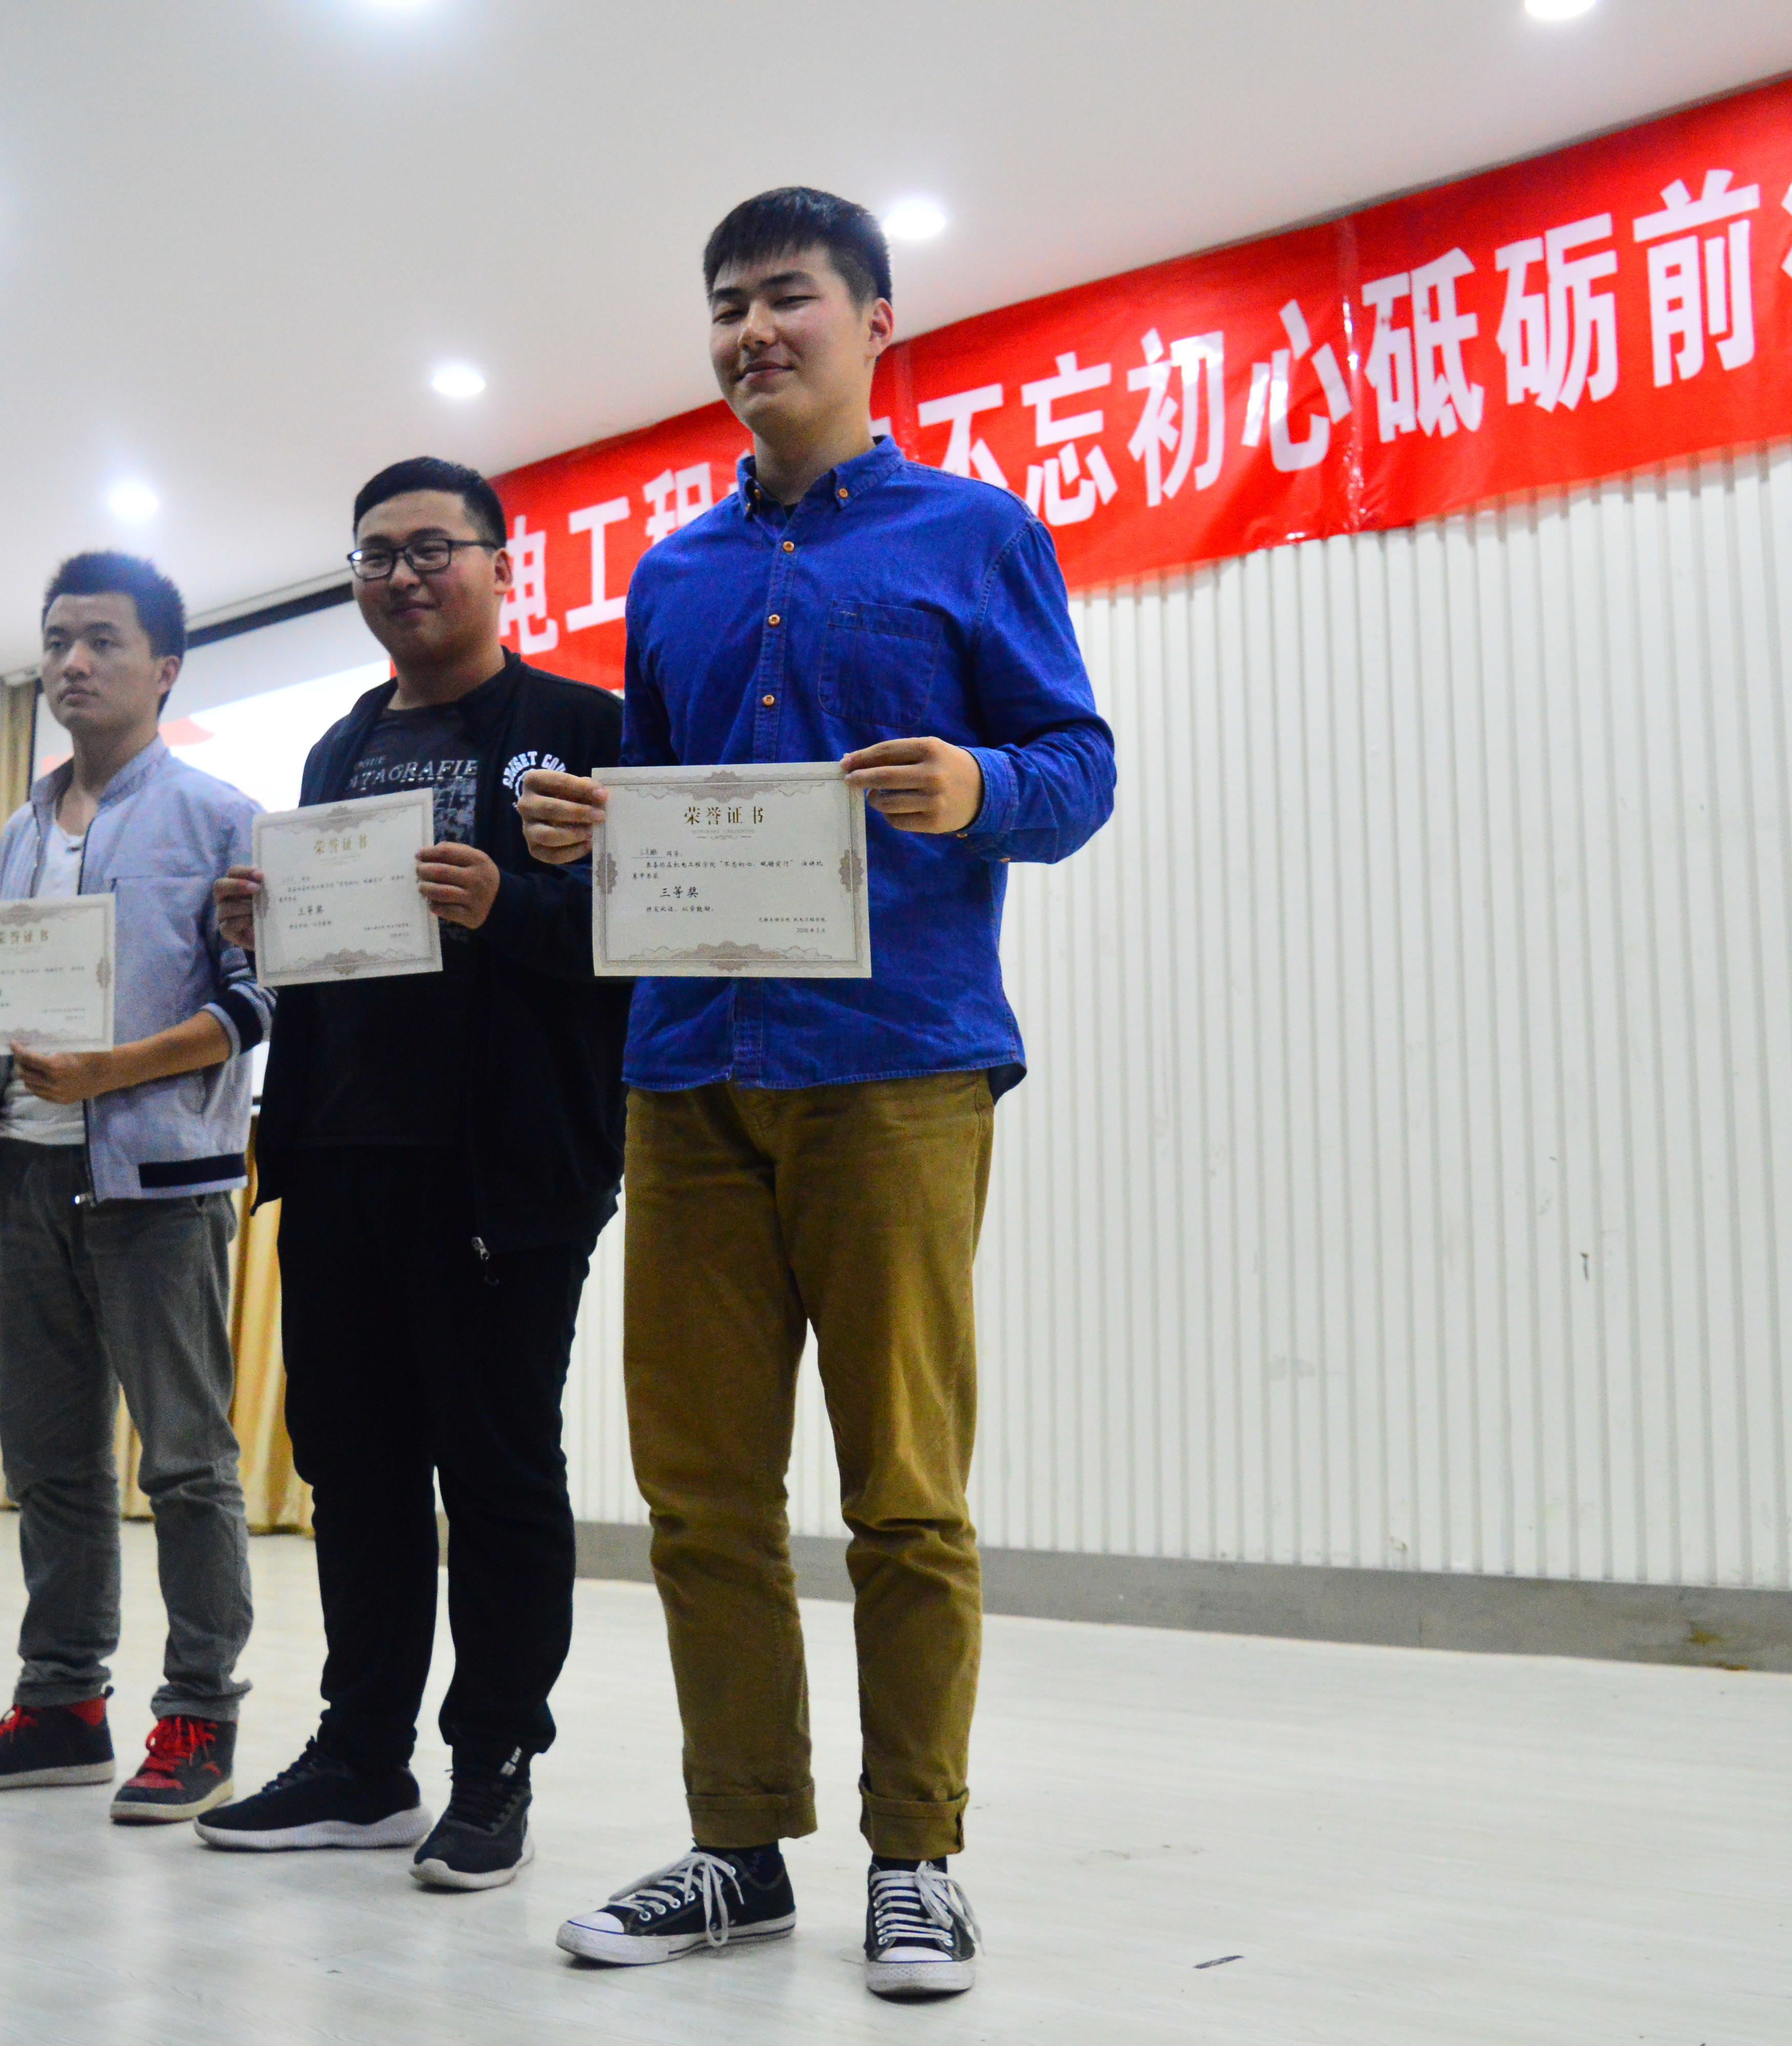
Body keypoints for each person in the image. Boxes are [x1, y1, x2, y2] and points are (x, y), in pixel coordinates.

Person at [518, 188, 1116, 2001]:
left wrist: (979, 785)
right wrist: (587, 830)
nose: (750, 331)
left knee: (903, 1492)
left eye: (786, 296)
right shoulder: (673, 575)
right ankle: (738, 1849)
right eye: (726, 305)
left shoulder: (977, 535)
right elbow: (666, 803)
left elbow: (1077, 769)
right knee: (699, 1495)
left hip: (897, 1066)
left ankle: (915, 1860)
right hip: (688, 1068)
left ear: (874, 321)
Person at [193, 458, 629, 1892]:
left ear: (503, 563)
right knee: (355, 1468)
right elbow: (333, 954)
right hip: (337, 1154)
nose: (402, 575)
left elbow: (648, 942)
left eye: (433, 547)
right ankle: (362, 1757)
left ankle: (492, 1763)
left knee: (497, 1473)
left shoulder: (584, 728)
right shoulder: (336, 748)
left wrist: (512, 906)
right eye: (374, 555)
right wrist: (262, 924)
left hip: (503, 1169)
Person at [0, 551, 273, 1826]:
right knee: (51, 1458)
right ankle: (61, 1703)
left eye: (101, 640)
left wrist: (109, 1069)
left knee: (185, 1459)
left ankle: (200, 1713)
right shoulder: (23, 823)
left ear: (163, 668)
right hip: (22, 1163)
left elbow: (256, 1003)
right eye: (57, 639)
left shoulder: (219, 814)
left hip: (156, 1179)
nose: (71, 662)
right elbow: (28, 991)